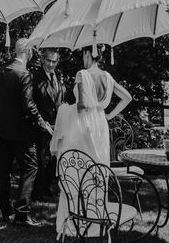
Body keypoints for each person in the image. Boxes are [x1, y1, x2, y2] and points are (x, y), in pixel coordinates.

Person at [50, 45, 132, 239]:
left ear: (88, 54)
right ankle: (96, 222)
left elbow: (82, 105)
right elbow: (127, 97)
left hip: (82, 127)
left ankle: (75, 221)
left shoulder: (82, 74)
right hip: (100, 126)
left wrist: (63, 109)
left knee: (76, 171)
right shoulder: (107, 77)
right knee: (96, 172)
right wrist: (109, 115)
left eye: (83, 55)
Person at [0, 38, 53, 226]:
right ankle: (21, 214)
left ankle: (5, 211)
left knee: (4, 171)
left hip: (3, 130)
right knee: (30, 168)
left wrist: (3, 117)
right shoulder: (24, 74)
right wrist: (43, 124)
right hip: (21, 133)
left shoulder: (2, 70)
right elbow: (28, 106)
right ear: (29, 52)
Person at [31, 49, 71, 200]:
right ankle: (38, 190)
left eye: (54, 62)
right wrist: (43, 122)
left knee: (55, 157)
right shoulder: (34, 77)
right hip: (42, 124)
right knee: (41, 158)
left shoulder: (59, 75)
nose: (51, 64)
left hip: (58, 124)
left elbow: (61, 98)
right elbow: (31, 102)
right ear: (42, 60)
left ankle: (49, 186)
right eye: (48, 61)